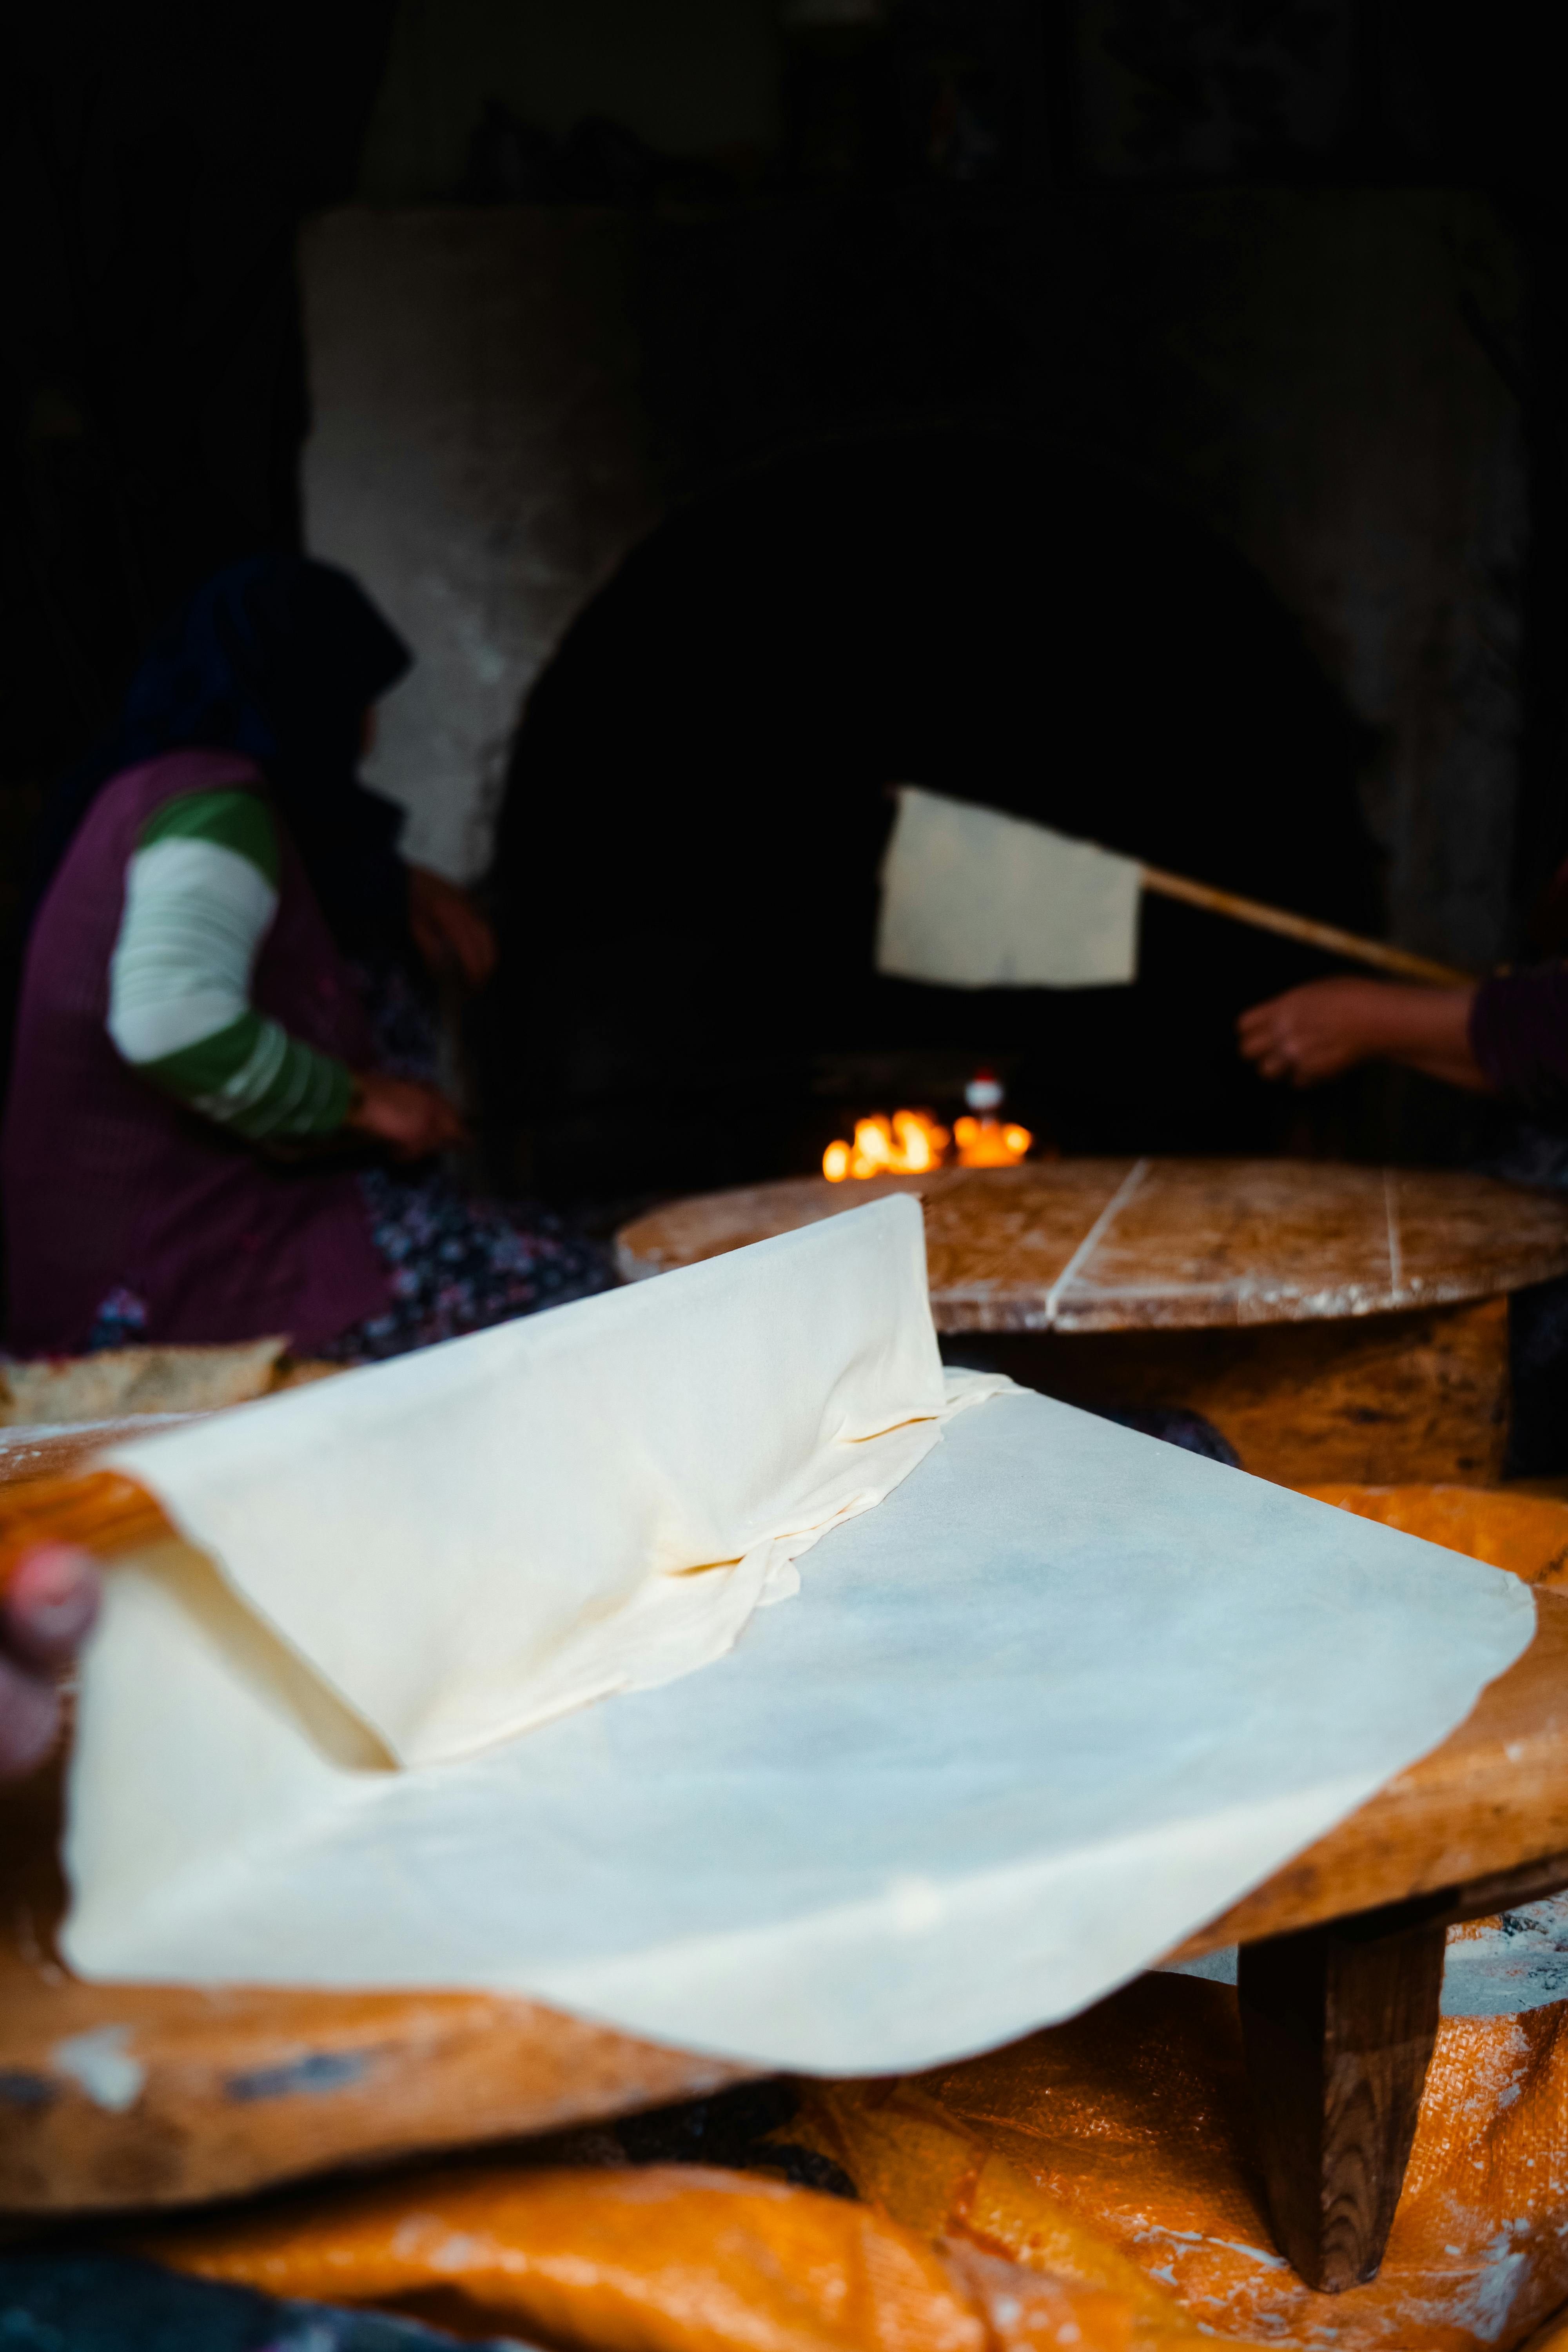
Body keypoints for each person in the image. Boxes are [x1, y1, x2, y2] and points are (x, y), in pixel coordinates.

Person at [2, 554, 608, 1363]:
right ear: (304, 690)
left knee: (550, 1252)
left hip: (159, 1243)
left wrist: (393, 883)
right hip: (163, 1280)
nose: (367, 731)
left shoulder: (160, 787)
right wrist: (363, 1103)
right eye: (354, 699)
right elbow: (169, 1021)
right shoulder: (213, 809)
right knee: (579, 1285)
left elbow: (318, 873)